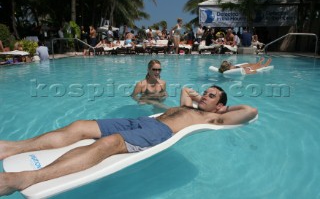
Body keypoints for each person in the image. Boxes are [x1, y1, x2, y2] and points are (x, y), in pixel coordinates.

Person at [0, 84, 257, 196]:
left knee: (109, 143)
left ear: (220, 106)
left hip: (159, 132)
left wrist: (222, 109)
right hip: (145, 121)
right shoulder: (192, 109)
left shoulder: (212, 119)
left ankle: (28, 177)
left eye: (211, 96)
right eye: (205, 92)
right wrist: (188, 94)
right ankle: (13, 147)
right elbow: (184, 100)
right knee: (80, 126)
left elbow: (249, 111)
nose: (204, 96)